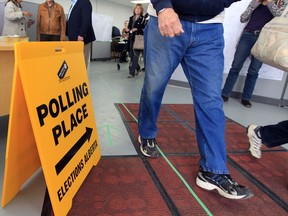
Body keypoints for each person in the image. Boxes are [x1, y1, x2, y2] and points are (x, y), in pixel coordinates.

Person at [137, 0, 254, 200]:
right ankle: (146, 132)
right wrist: (163, 6)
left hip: (210, 28)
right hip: (166, 17)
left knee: (211, 99)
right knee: (153, 86)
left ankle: (213, 170)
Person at [221, 0, 288, 108]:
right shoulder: (256, 1)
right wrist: (255, 4)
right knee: (235, 67)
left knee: (254, 71)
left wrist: (270, 3)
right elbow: (243, 18)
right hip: (247, 35)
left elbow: (280, 18)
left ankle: (246, 98)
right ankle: (225, 94)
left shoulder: (281, 3)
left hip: (263, 39)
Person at [66, 0, 96, 68]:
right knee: (75, 61)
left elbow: (86, 20)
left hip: (82, 39)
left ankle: (82, 78)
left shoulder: (84, 2)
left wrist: (81, 35)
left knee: (82, 62)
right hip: (73, 39)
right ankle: (77, 77)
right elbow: (71, 21)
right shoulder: (73, 4)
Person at [127, 3, 146, 78]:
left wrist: (137, 29)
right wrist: (127, 30)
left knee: (135, 56)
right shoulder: (131, 18)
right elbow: (129, 28)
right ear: (134, 10)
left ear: (141, 10)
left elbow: (145, 29)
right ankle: (137, 67)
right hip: (131, 38)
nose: (137, 10)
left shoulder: (143, 19)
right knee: (130, 55)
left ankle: (132, 72)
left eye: (139, 9)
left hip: (138, 39)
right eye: (136, 8)